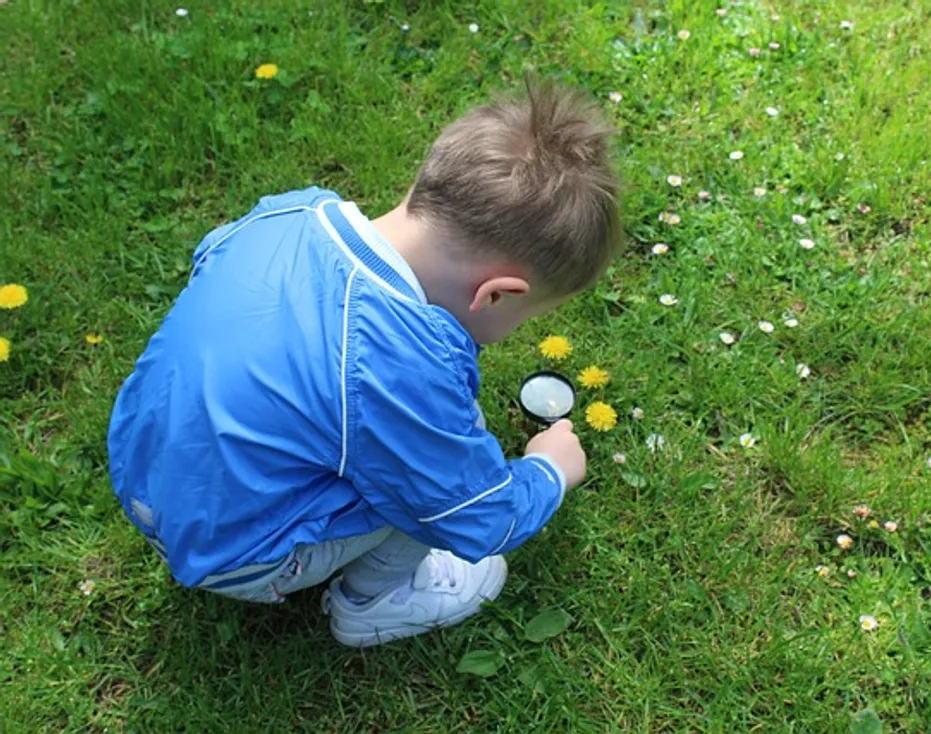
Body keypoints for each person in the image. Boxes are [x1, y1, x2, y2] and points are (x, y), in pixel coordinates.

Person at [107, 77, 622, 647]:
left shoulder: (291, 212)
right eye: (525, 316)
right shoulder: (397, 364)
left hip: (144, 472)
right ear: (495, 294)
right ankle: (371, 602)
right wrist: (548, 472)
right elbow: (474, 515)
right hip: (233, 553)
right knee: (429, 480)